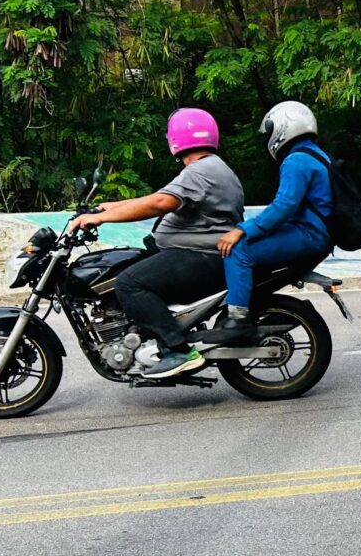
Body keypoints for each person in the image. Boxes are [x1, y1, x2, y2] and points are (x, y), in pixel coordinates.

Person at [68, 108, 245, 379]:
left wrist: (102, 220)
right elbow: (158, 197)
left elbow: (159, 203)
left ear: (175, 138)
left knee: (128, 283)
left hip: (201, 257)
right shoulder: (208, 168)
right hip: (201, 254)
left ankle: (177, 349)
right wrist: (107, 207)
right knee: (134, 265)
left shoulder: (201, 171)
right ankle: (150, 333)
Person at [201, 101, 334, 346]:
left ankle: (238, 320)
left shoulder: (297, 160)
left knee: (238, 249)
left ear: (284, 127)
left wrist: (242, 230)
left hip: (308, 234)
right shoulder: (316, 155)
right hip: (314, 232)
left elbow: (284, 206)